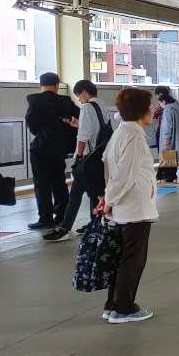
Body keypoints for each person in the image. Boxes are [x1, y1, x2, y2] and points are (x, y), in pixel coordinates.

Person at [103, 87, 159, 323]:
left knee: (123, 257)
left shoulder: (121, 132)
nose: (152, 113)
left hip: (125, 207)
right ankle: (124, 308)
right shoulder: (135, 136)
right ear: (141, 112)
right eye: (149, 108)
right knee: (133, 260)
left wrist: (108, 198)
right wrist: (109, 200)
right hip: (134, 207)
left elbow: (107, 166)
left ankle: (112, 305)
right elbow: (125, 175)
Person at [44, 80, 112, 241]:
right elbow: (98, 128)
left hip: (87, 158)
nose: (79, 100)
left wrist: (79, 156)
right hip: (100, 156)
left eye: (78, 96)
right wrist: (78, 124)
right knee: (93, 192)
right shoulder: (101, 105)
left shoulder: (87, 107)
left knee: (78, 194)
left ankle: (65, 228)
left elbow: (84, 135)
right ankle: (93, 223)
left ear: (83, 92)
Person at [25, 72, 80, 230]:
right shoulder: (65, 101)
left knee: (41, 183)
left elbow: (32, 125)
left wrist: (44, 134)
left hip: (41, 148)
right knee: (58, 181)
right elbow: (78, 116)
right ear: (57, 86)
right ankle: (62, 214)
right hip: (59, 148)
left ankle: (45, 217)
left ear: (40, 85)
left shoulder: (35, 101)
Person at [156, 93, 179, 184]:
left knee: (166, 155)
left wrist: (166, 138)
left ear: (164, 101)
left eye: (160, 103)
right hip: (176, 136)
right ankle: (172, 174)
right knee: (173, 155)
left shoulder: (168, 110)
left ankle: (165, 175)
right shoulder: (177, 108)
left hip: (168, 138)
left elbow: (167, 125)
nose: (160, 105)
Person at [151, 85, 171, 150]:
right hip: (165, 130)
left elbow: (153, 114)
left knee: (161, 149)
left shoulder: (162, 104)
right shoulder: (170, 103)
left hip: (161, 130)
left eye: (157, 94)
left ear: (160, 94)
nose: (156, 96)